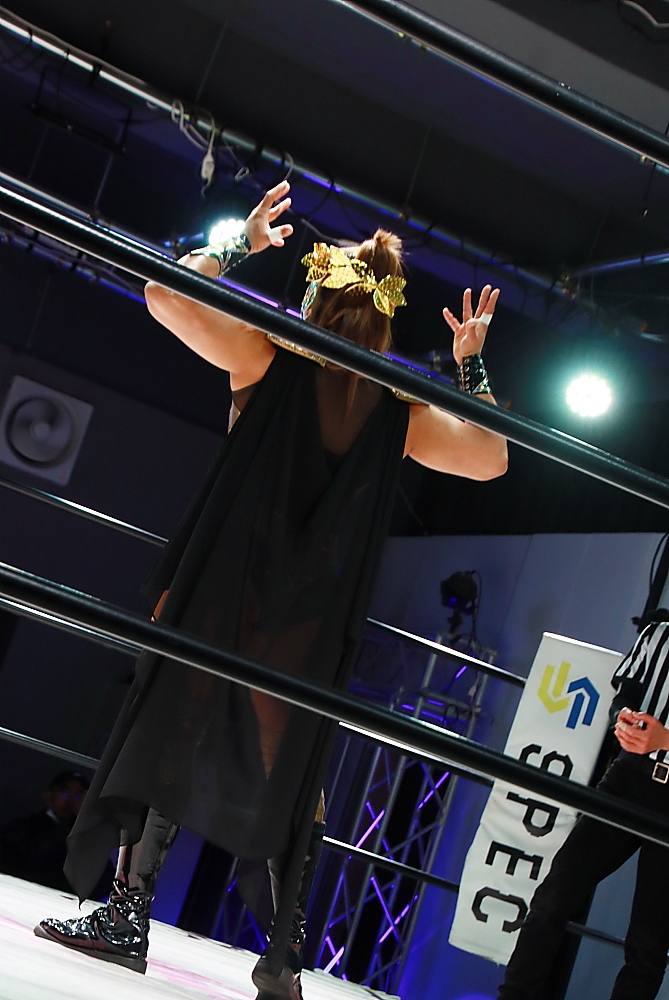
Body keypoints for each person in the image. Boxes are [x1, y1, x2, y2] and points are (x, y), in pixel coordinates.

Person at [35, 180, 507, 998]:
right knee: (291, 765)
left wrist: (240, 244)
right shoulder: (398, 411)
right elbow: (491, 458)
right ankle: (283, 958)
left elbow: (164, 292)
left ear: (316, 297)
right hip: (308, 617)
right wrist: (470, 367)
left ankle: (128, 914)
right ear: (385, 321)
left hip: (226, 588)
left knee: (170, 730)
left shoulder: (266, 355)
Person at [498, 618, 669, 1000]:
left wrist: (666, 740)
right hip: (628, 778)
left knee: (649, 941)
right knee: (556, 892)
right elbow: (624, 694)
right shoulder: (658, 634)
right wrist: (623, 719)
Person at [0, 770, 112, 899]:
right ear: (47, 796)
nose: (70, 800)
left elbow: (103, 881)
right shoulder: (25, 827)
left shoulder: (85, 838)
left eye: (78, 796)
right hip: (23, 896)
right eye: (65, 792)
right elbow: (28, 861)